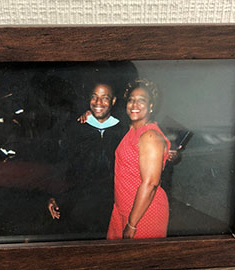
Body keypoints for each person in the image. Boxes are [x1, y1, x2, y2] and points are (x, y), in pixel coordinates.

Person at [47, 82, 126, 238]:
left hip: (112, 203)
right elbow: (62, 164)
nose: (98, 103)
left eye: (105, 98)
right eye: (94, 97)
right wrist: (52, 194)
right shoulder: (76, 128)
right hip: (77, 202)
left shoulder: (123, 130)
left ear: (113, 101)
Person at [107, 79, 171, 240]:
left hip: (142, 214)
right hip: (122, 208)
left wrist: (132, 224)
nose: (134, 104)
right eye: (131, 100)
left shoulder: (150, 136)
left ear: (151, 106)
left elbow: (150, 184)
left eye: (142, 100)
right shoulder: (132, 130)